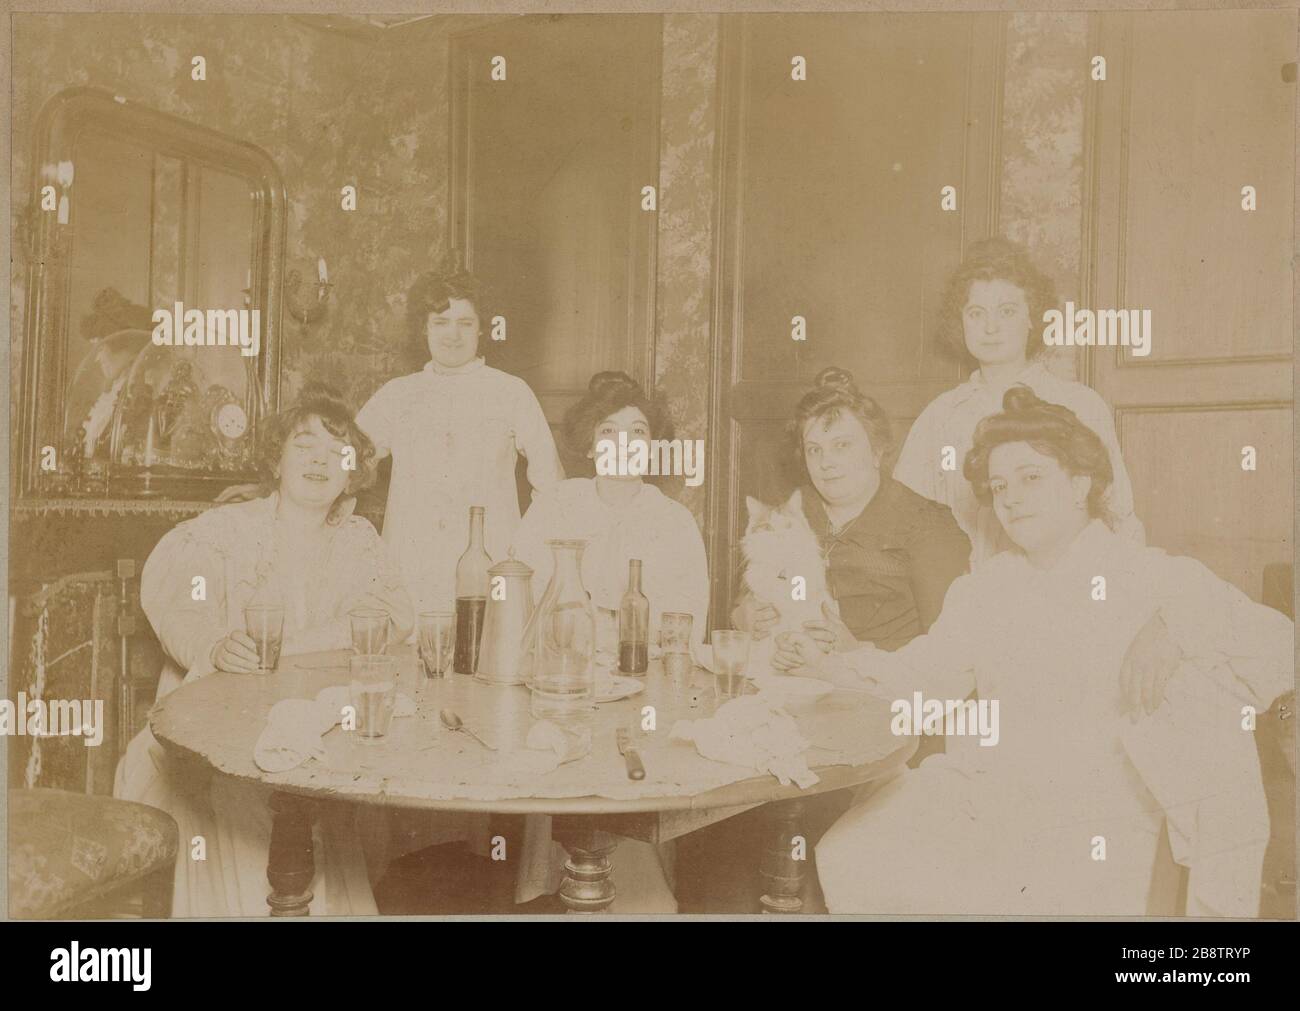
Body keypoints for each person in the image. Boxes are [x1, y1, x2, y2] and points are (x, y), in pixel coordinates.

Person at [777, 387, 1293, 916]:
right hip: (993, 788)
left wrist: (1172, 626)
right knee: (855, 849)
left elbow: (1279, 645)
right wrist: (834, 664)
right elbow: (925, 678)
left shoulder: (1149, 574)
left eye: (1031, 478)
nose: (1011, 498)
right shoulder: (988, 587)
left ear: (1079, 483)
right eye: (999, 486)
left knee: (993, 888)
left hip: (1099, 814)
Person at [114, 385, 413, 916]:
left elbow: (388, 618)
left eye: (337, 451)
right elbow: (180, 598)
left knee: (324, 790)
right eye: (304, 445)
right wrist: (212, 642)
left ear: (352, 472)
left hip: (313, 731)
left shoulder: (359, 540)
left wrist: (295, 647)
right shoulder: (226, 530)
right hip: (212, 737)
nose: (321, 460)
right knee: (248, 797)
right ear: (276, 461)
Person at [510, 371, 710, 912]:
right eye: (609, 431)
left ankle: (637, 901)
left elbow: (684, 622)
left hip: (642, 694)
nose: (624, 444)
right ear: (590, 443)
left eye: (638, 431)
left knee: (631, 776)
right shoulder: (557, 504)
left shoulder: (673, 521)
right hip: (559, 685)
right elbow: (518, 596)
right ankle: (552, 894)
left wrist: (614, 631)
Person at [893, 237, 1143, 567]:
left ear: (1032, 317)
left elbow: (1119, 517)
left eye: (1007, 311)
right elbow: (904, 522)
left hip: (1065, 592)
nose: (991, 327)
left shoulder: (1080, 404)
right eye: (976, 313)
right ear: (961, 321)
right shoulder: (939, 417)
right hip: (965, 596)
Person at [356, 260, 564, 616]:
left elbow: (552, 485)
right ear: (424, 328)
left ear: (482, 329)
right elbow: (347, 462)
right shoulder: (397, 394)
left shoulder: (510, 392)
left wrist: (524, 553)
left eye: (465, 323)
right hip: (410, 564)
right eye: (441, 322)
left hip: (487, 566)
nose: (453, 334)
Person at [732, 367, 970, 653]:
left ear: (877, 451)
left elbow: (952, 655)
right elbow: (750, 589)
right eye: (814, 449)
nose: (826, 462)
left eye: (841, 445)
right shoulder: (793, 513)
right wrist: (741, 615)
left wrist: (858, 653)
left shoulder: (929, 526)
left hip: (881, 689)